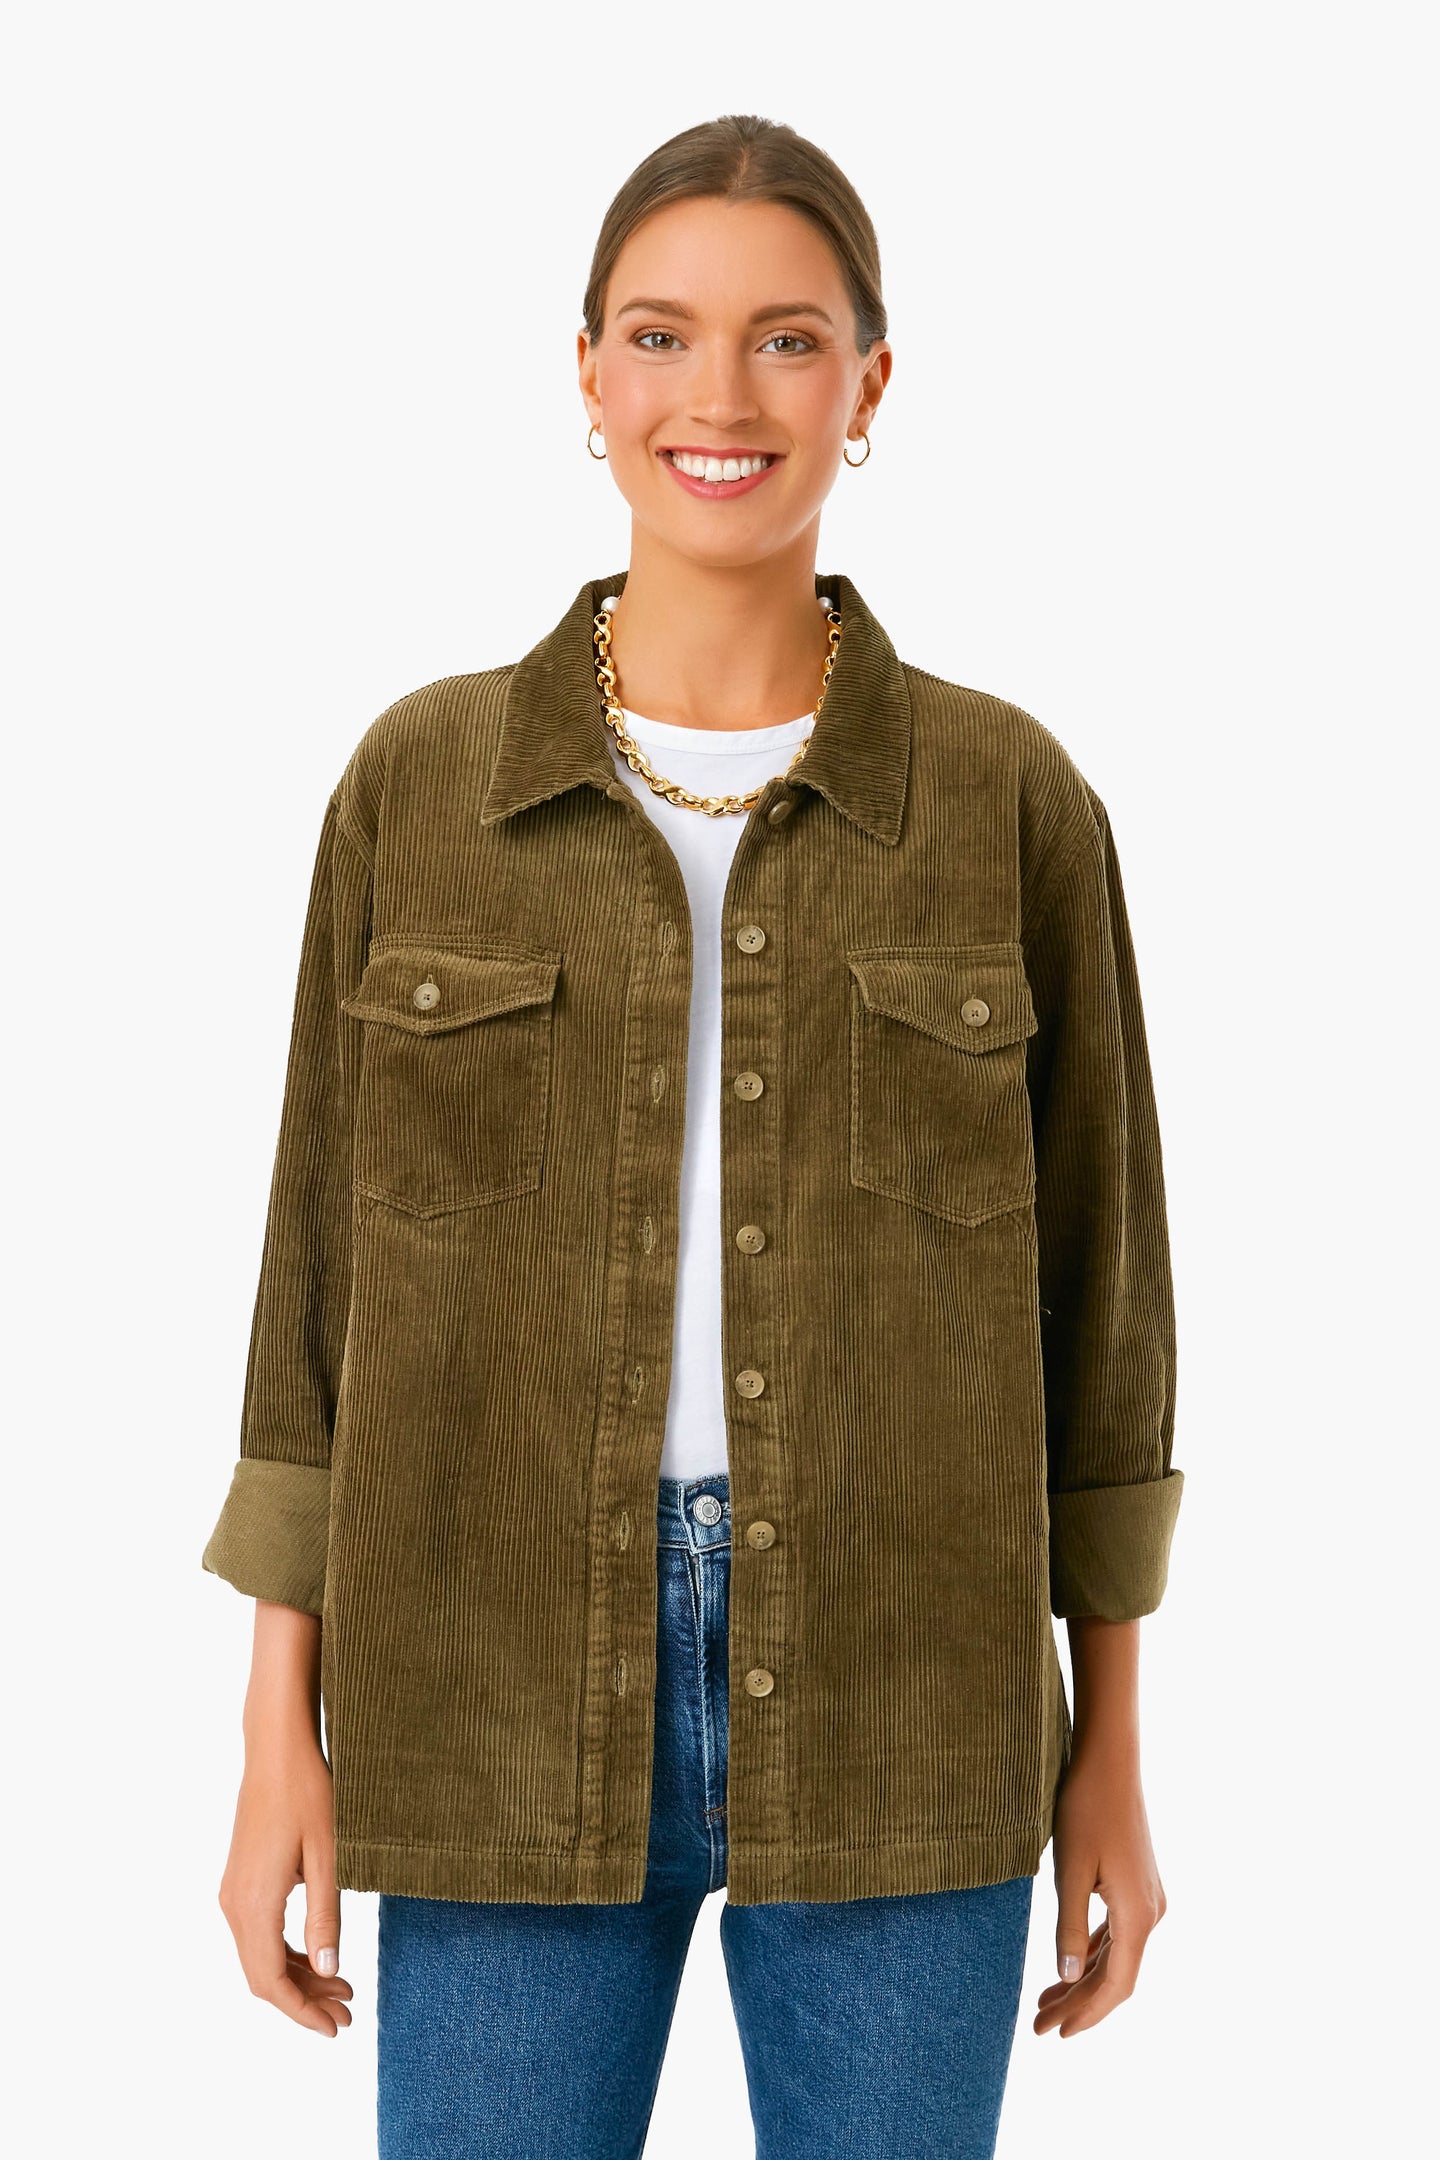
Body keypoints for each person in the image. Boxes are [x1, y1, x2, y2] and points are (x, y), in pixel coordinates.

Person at [202, 112, 1185, 2160]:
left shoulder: (1007, 802)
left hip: (913, 1674)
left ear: (871, 384)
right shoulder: (421, 785)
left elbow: (1106, 1306)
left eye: (787, 339)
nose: (719, 397)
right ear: (586, 375)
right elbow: (318, 1288)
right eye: (660, 335)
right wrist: (276, 1726)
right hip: (485, 1674)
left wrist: (1111, 1744)